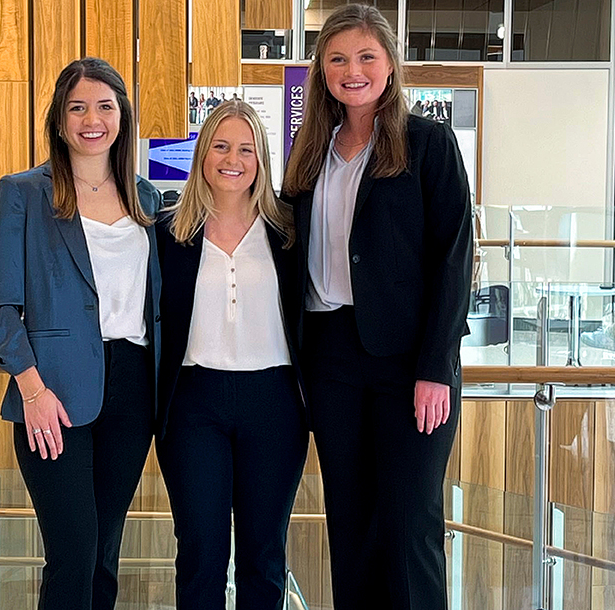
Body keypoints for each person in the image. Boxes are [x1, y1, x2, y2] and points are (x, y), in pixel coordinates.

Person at [279, 4, 473, 608]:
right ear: (322, 71)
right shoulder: (311, 152)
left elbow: (454, 259)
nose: (352, 70)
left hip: (407, 364)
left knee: (411, 522)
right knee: (352, 521)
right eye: (338, 58)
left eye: (366, 56)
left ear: (390, 64)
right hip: (331, 358)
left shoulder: (426, 144)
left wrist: (434, 368)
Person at [0, 57, 162, 610]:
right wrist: (32, 392)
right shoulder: (23, 193)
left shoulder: (144, 197)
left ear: (122, 117)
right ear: (60, 121)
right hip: (53, 394)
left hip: (133, 390)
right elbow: (2, 311)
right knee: (74, 550)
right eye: (77, 107)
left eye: (105, 107)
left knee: (105, 550)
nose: (92, 119)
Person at [156, 100, 307, 610]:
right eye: (220, 146)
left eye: (246, 149)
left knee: (264, 554)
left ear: (261, 159)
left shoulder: (289, 231)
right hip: (194, 405)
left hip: (275, 404)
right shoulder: (168, 233)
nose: (232, 159)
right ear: (202, 155)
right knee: (201, 550)